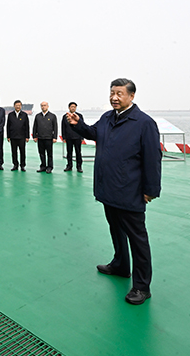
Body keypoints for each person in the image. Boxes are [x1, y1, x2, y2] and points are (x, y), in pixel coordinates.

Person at [67, 78, 162, 305]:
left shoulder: (144, 123)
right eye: (112, 93)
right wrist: (78, 125)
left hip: (129, 190)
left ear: (131, 96)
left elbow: (152, 158)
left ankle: (142, 286)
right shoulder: (108, 118)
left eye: (119, 93)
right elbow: (94, 133)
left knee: (137, 239)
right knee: (115, 228)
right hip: (108, 187)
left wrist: (151, 189)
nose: (114, 97)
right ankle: (120, 265)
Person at [32, 101, 59, 173]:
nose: (43, 107)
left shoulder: (52, 116)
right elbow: (35, 126)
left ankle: (49, 167)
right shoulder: (37, 116)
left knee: (49, 154)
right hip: (40, 138)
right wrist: (34, 136)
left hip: (49, 138)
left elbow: (55, 127)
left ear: (48, 106)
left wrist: (55, 137)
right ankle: (43, 166)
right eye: (42, 105)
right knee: (41, 153)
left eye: (44, 105)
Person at [6, 100, 30, 171]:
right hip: (13, 136)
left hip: (22, 137)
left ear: (21, 106)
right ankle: (15, 165)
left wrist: (27, 136)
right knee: (14, 152)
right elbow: (8, 126)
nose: (18, 107)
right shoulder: (10, 115)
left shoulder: (24, 115)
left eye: (19, 105)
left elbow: (27, 126)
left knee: (22, 152)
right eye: (16, 105)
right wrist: (8, 136)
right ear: (14, 106)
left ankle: (22, 165)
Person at [62, 102, 84, 172]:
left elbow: (82, 126)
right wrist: (64, 137)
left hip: (77, 137)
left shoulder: (79, 116)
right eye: (72, 107)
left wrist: (82, 137)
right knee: (69, 152)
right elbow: (63, 127)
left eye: (74, 107)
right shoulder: (65, 116)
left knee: (78, 152)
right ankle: (69, 166)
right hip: (69, 137)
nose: (73, 108)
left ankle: (79, 167)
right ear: (69, 108)